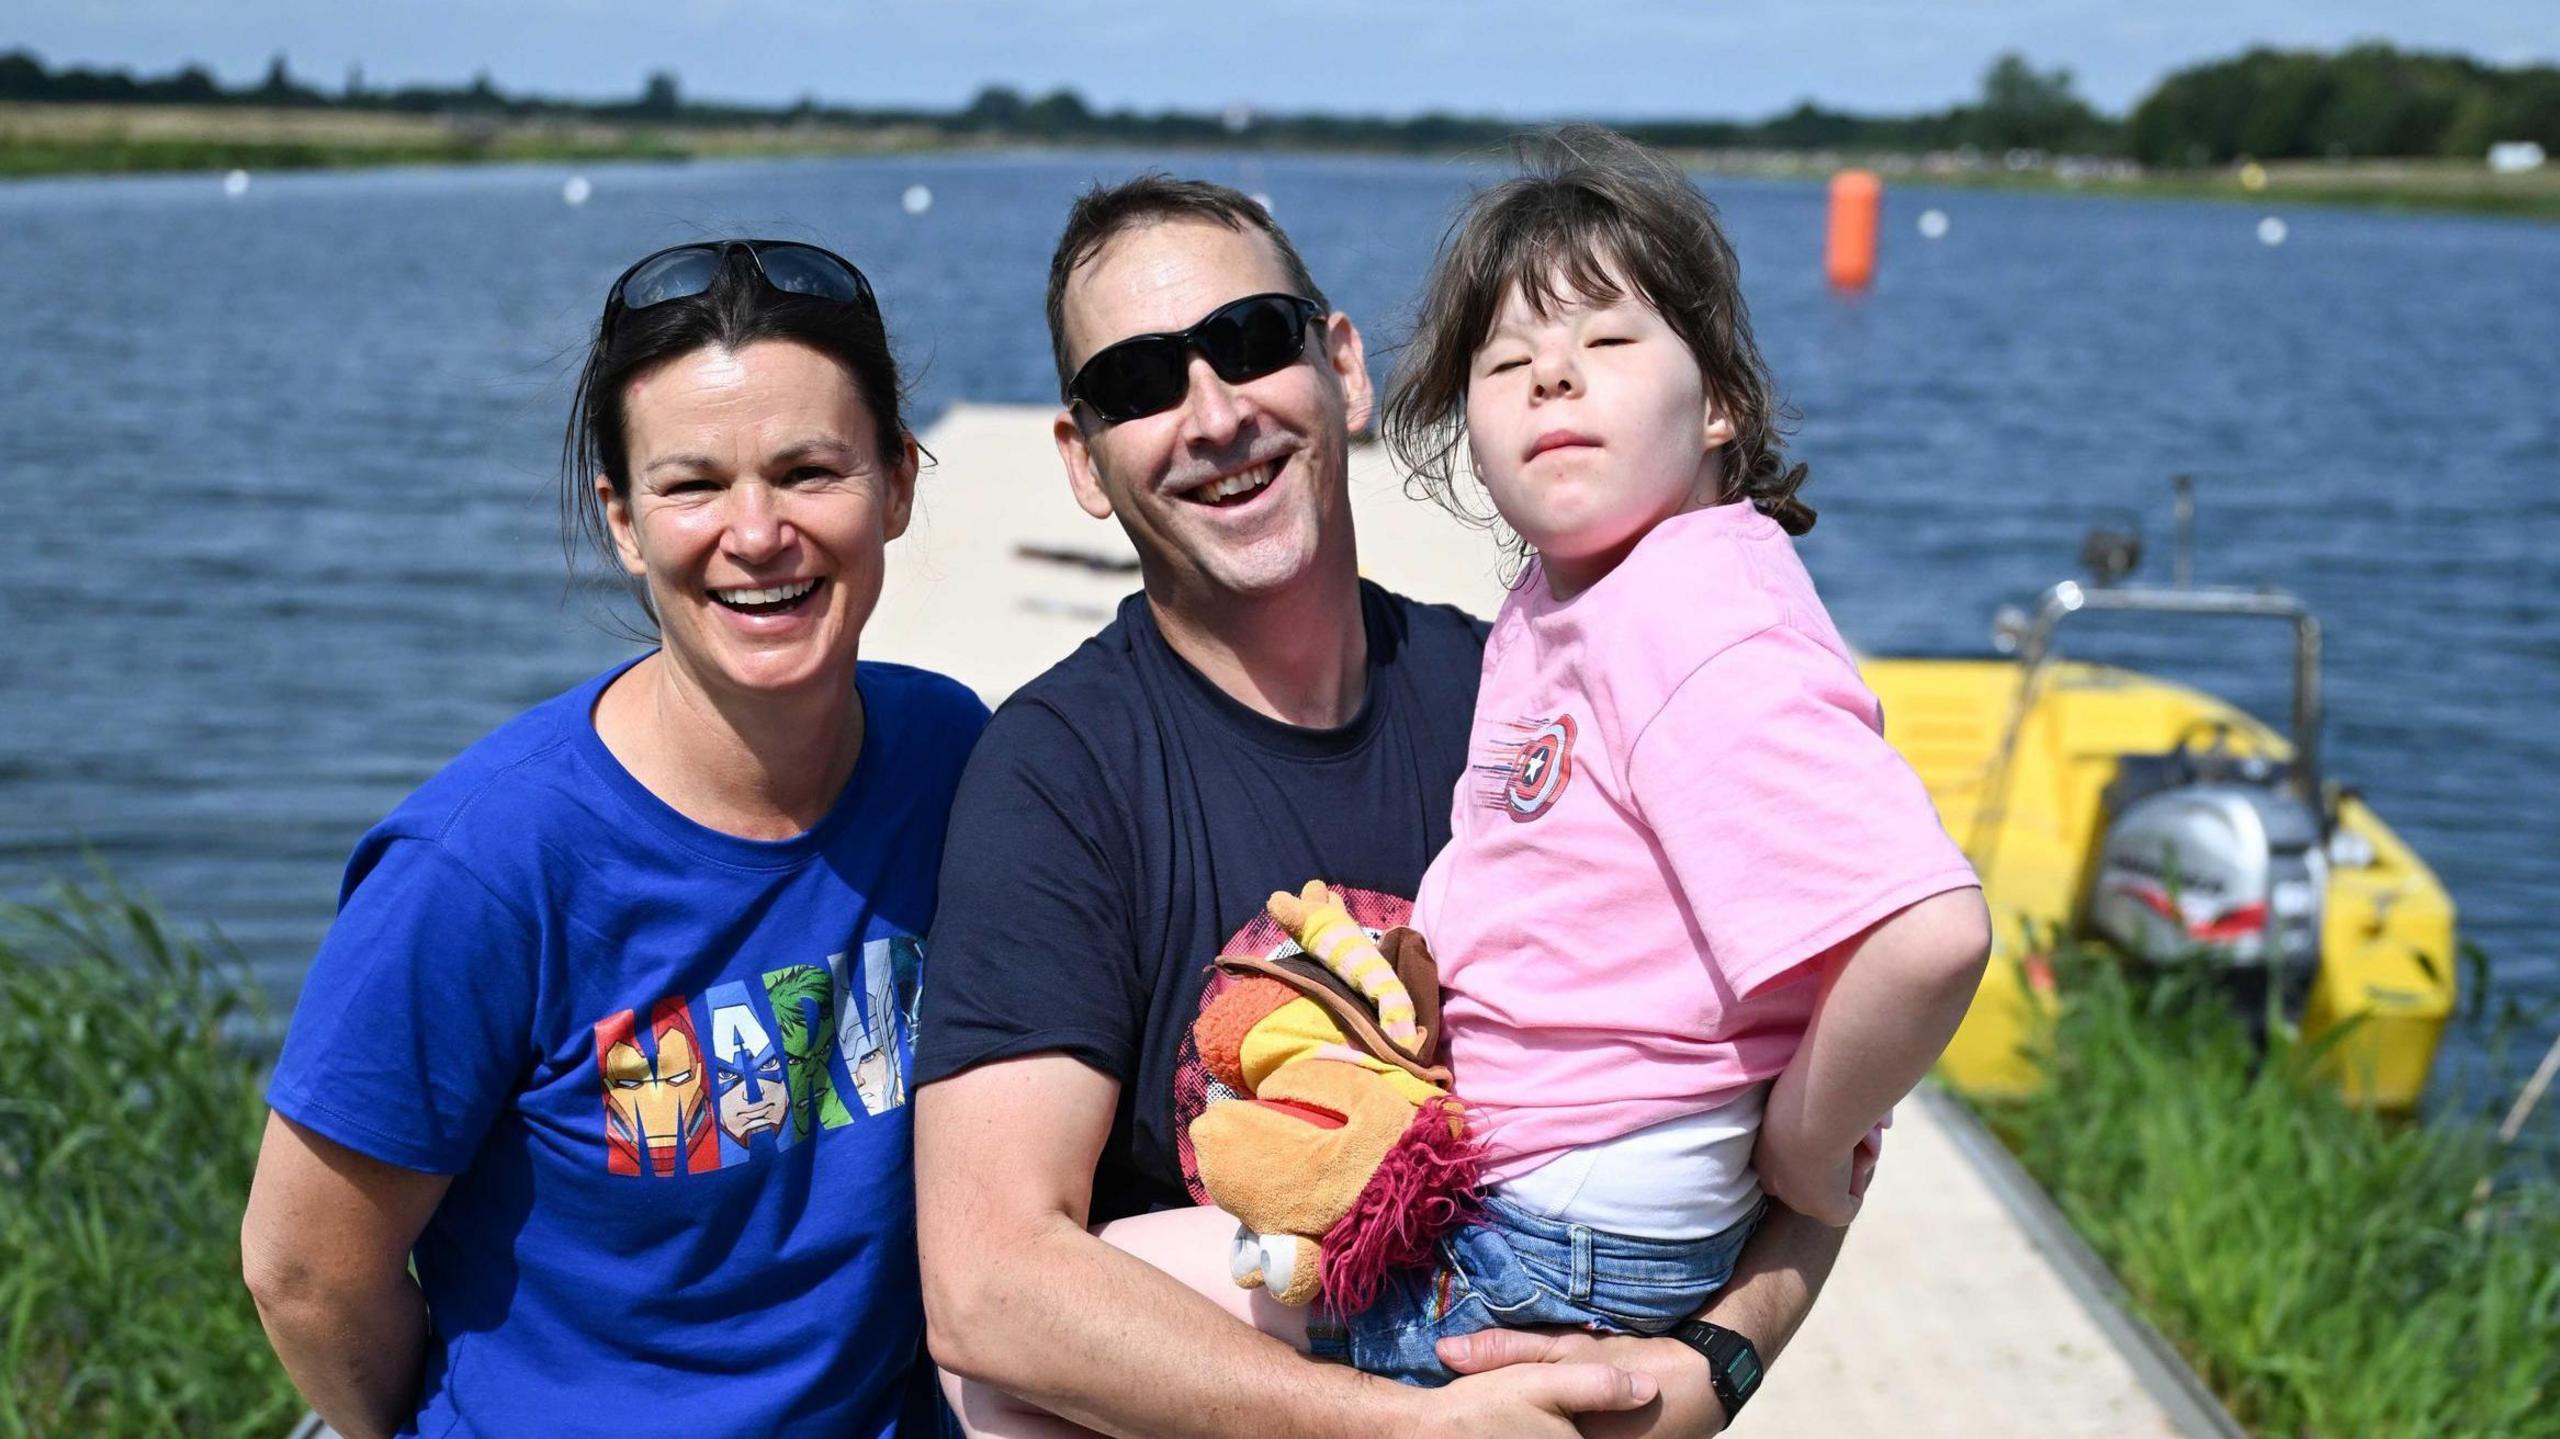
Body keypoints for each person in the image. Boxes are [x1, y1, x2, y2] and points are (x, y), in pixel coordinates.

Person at [914, 173, 1848, 1439]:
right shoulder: (1057, 775)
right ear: (1084, 459)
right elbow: (987, 1290)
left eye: (1249, 343)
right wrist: (1391, 1427)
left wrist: (1720, 1357)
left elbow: (1824, 1075)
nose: (1213, 414)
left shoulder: (1540, 697)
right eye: (1139, 383)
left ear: (1341, 367)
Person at [240, 239, 986, 1438]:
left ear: (897, 482)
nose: (757, 532)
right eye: (693, 484)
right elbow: (306, 1272)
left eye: (809, 470)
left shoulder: (948, 755)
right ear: (624, 520)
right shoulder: (484, 866)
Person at [1286, 125, 1994, 1384]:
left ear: (1719, 402)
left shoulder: (1692, 613)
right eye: (1506, 364)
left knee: (1081, 1350)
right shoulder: (1581, 599)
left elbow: (1926, 929)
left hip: (1565, 1235)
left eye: (1607, 345)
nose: (1553, 380)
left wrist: (1803, 1143)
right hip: (1553, 1195)